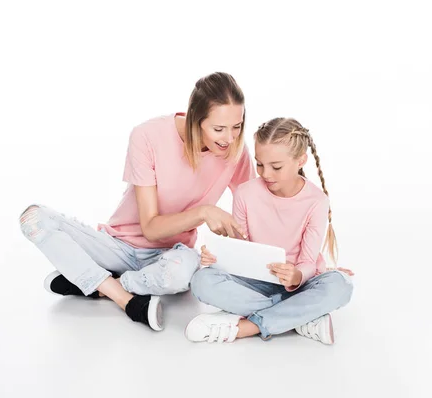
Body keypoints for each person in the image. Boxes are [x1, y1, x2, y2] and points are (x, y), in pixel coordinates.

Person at [19, 72, 256, 332]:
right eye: (218, 129)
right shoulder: (147, 136)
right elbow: (151, 228)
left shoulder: (235, 151)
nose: (229, 138)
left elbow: (253, 209)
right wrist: (203, 212)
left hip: (171, 254)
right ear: (194, 119)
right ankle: (126, 300)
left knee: (180, 276)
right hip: (118, 246)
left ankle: (98, 284)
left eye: (237, 127)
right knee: (34, 218)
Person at [185, 117, 354, 344]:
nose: (266, 174)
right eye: (260, 164)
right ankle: (300, 318)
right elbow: (239, 248)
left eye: (276, 167)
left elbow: (308, 261)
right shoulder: (245, 193)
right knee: (201, 281)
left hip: (299, 286)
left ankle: (248, 326)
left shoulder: (316, 201)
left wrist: (296, 275)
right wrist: (216, 257)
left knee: (341, 285)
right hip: (254, 282)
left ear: (300, 160)